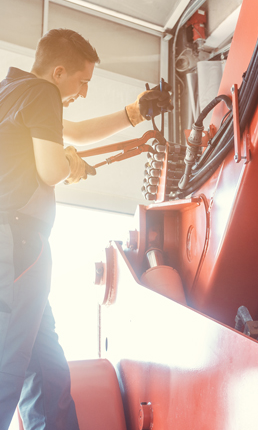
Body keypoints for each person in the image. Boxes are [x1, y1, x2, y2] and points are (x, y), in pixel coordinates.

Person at [0, 28, 172, 430]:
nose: (85, 92)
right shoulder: (42, 93)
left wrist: (135, 113)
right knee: (8, 362)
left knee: (46, 369)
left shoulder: (12, 90)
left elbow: (72, 133)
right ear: (59, 72)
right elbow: (52, 168)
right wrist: (68, 163)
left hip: (14, 245)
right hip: (18, 242)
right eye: (83, 82)